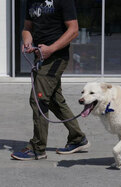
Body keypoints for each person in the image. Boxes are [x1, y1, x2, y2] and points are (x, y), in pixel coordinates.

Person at [11, 0, 90, 160]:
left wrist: (51, 49)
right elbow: (27, 28)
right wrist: (27, 40)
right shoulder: (31, 2)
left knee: (38, 99)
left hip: (56, 57)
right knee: (54, 100)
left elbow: (73, 30)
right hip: (40, 57)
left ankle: (37, 147)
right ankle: (77, 138)